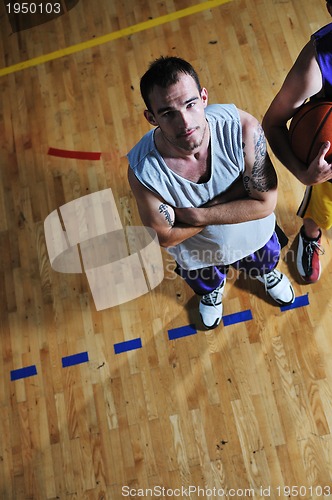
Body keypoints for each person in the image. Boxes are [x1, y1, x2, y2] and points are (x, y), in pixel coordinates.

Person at [127, 56, 295, 329]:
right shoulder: (143, 170)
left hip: (253, 235)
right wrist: (236, 195)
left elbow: (264, 204)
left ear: (204, 97)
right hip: (198, 254)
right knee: (206, 283)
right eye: (168, 113)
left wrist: (196, 214)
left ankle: (266, 275)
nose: (184, 121)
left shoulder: (243, 128)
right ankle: (211, 294)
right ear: (151, 117)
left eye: (190, 104)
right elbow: (166, 237)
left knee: (264, 263)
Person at [262, 0, 332, 283]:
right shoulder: (317, 64)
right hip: (330, 176)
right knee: (322, 212)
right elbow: (273, 123)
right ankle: (310, 235)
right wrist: (303, 173)